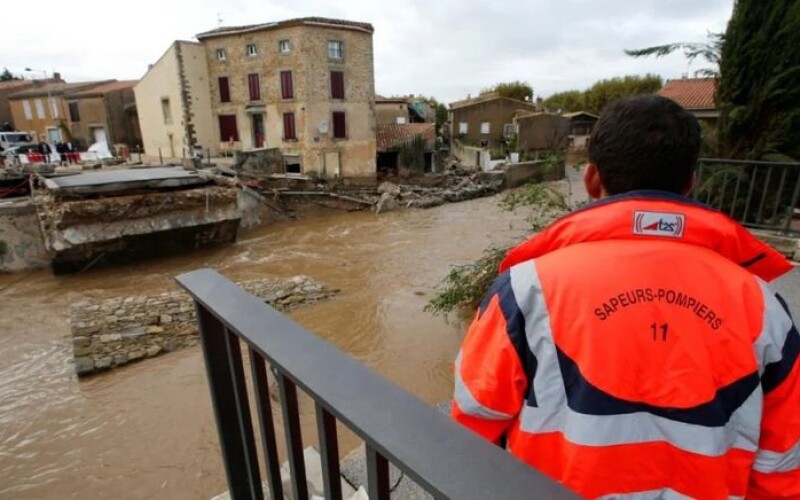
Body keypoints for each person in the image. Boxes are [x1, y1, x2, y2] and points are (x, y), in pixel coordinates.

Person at [452, 95, 800, 499]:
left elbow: (470, 428)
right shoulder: (763, 307)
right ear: (689, 183)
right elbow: (783, 469)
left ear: (591, 180)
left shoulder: (525, 290)